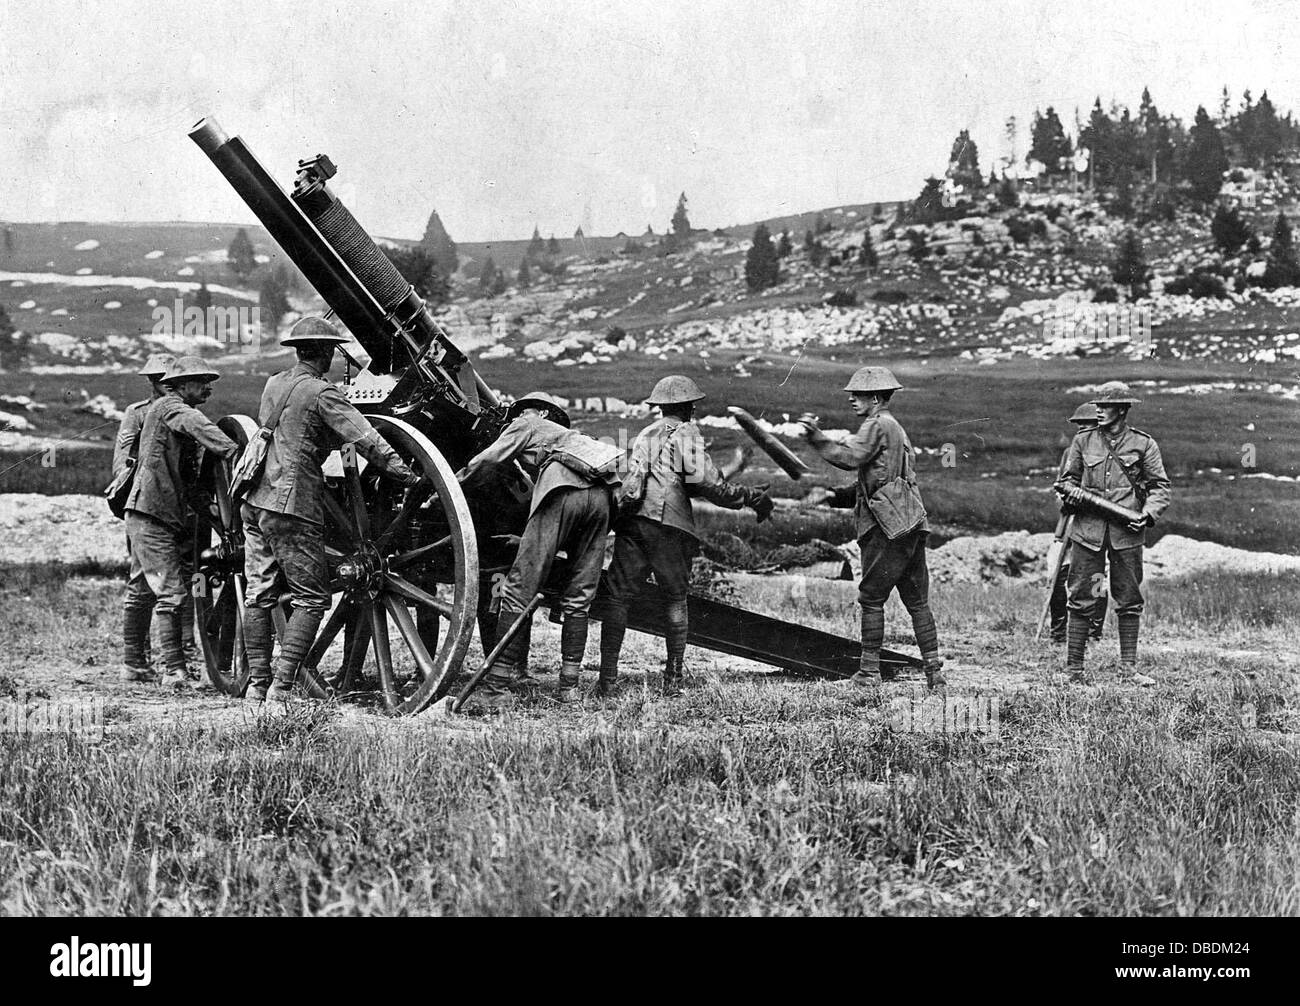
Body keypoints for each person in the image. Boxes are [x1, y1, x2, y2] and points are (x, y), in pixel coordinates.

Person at [241, 316, 425, 703]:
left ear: (297, 350)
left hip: (255, 500)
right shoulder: (324, 393)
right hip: (292, 504)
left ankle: (257, 686)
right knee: (312, 599)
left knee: (258, 593)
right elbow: (367, 440)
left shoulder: (274, 383)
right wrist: (409, 478)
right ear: (325, 353)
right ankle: (282, 686)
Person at [599, 375, 774, 698]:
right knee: (675, 599)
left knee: (618, 599)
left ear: (661, 406)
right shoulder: (687, 432)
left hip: (634, 523)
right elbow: (708, 486)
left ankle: (607, 680)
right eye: (692, 405)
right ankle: (673, 679)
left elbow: (685, 482)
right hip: (670, 528)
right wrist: (750, 497)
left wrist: (733, 470)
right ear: (688, 407)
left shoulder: (646, 434)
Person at [458, 391, 621, 709]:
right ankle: (569, 687)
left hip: (560, 487)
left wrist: (451, 484)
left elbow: (490, 460)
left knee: (519, 586)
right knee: (580, 594)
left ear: (541, 414)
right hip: (603, 497)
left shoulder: (528, 423)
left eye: (522, 411)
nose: (516, 418)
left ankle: (497, 685)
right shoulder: (574, 438)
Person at [798, 365, 945, 692]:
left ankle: (868, 673)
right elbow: (880, 481)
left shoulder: (876, 425)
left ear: (876, 398)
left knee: (871, 597)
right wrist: (835, 495)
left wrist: (814, 437)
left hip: (885, 527)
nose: (851, 399)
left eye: (858, 395)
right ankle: (935, 674)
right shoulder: (897, 429)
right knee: (917, 600)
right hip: (910, 522)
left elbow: (849, 457)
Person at [122, 356, 239, 687]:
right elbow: (200, 427)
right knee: (172, 591)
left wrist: (213, 513)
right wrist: (237, 452)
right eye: (201, 381)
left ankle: (133, 665)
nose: (208, 387)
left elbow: (190, 480)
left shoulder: (165, 410)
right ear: (181, 385)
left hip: (151, 511)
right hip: (152, 513)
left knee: (143, 586)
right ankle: (174, 672)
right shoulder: (171, 408)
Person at [1057, 381, 1171, 685]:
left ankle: (1128, 669)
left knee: (1129, 599)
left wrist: (1146, 515)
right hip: (1087, 533)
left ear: (1122, 409)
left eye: (1105, 406)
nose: (1099, 410)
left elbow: (1160, 487)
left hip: (1127, 535)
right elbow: (1068, 480)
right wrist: (1069, 494)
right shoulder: (1082, 442)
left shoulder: (1144, 444)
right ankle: (1074, 671)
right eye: (1097, 405)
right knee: (1081, 597)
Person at [1048, 403, 1108, 644]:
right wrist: (1065, 500)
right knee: (1058, 576)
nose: (1082, 431)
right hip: (1069, 526)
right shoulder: (1069, 454)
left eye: (1088, 426)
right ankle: (1058, 633)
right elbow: (1059, 488)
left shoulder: (1109, 455)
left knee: (1097, 580)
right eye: (1079, 427)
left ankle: (1093, 633)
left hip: (1096, 528)